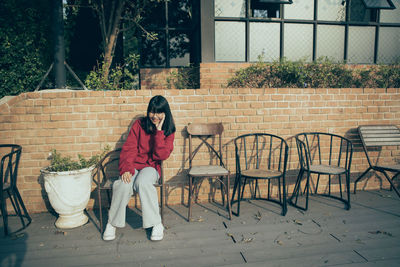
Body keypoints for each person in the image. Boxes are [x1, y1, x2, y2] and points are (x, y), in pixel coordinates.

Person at [103, 95, 175, 241]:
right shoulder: (139, 124)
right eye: (152, 112)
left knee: (143, 182)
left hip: (151, 167)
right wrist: (125, 169)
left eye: (159, 112)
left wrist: (159, 132)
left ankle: (156, 223)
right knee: (123, 184)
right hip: (133, 165)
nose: (155, 116)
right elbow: (129, 148)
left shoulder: (169, 130)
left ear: (165, 113)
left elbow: (161, 155)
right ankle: (112, 223)